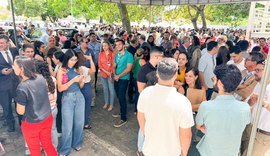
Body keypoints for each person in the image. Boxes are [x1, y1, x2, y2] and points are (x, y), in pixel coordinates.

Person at [137, 58, 194, 156]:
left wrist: (148, 135)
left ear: (157, 74)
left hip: (149, 149)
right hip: (172, 152)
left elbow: (141, 119)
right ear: (175, 75)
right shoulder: (183, 102)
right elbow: (186, 136)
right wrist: (184, 154)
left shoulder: (145, 93)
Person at [196, 64, 250, 156]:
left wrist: (207, 129)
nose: (213, 79)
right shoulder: (245, 108)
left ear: (220, 83)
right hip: (232, 152)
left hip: (210, 151)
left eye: (215, 78)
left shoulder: (206, 106)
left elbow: (199, 125)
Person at [14, 56, 57, 156]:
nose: (13, 67)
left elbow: (20, 111)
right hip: (47, 117)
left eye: (15, 65)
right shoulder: (41, 77)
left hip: (32, 123)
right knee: (48, 145)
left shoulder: (22, 87)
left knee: (35, 150)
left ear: (22, 69)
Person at [57, 49, 86, 155]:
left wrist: (82, 80)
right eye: (71, 60)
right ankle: (65, 149)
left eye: (75, 60)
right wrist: (73, 80)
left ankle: (77, 143)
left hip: (79, 97)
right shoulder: (62, 70)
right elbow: (60, 88)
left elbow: (81, 86)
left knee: (79, 123)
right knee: (67, 126)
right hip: (67, 98)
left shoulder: (78, 69)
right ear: (67, 59)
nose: (73, 62)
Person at [245, 60, 270, 156]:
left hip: (263, 136)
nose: (255, 72)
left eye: (258, 70)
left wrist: (265, 104)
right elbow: (247, 105)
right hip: (251, 130)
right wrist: (251, 102)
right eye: (255, 70)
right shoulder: (259, 85)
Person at [34, 60, 58, 149]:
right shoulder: (53, 79)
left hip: (43, 111)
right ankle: (54, 148)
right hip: (53, 108)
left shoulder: (37, 82)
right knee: (53, 129)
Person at [112, 39, 134, 128]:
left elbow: (128, 69)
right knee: (118, 95)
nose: (118, 46)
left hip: (124, 79)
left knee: (121, 96)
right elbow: (114, 66)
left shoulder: (129, 55)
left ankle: (123, 118)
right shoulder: (116, 55)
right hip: (116, 78)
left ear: (124, 45)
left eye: (119, 44)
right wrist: (114, 75)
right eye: (116, 45)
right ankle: (122, 109)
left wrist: (118, 76)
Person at [0, 34, 19, 132]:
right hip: (3, 86)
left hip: (16, 83)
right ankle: (11, 126)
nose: (0, 45)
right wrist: (1, 72)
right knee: (7, 108)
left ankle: (22, 123)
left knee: (19, 104)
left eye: (2, 43)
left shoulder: (14, 51)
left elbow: (19, 63)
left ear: (7, 43)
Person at [98, 41, 116, 112]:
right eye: (103, 46)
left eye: (105, 46)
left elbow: (114, 65)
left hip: (111, 74)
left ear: (108, 46)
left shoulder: (113, 54)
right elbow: (100, 65)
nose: (104, 47)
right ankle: (106, 102)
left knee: (111, 89)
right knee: (105, 89)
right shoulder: (100, 54)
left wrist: (110, 73)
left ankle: (111, 104)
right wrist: (106, 72)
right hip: (103, 74)